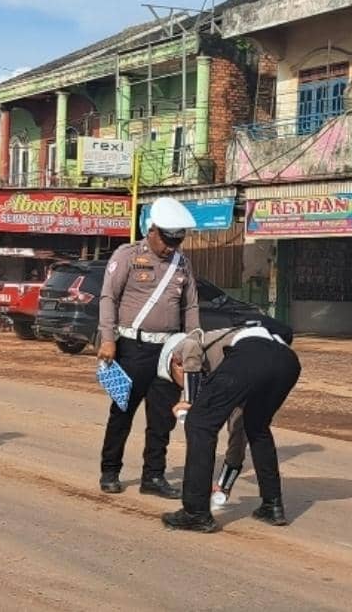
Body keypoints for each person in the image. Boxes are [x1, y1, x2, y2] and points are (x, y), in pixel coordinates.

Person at [97, 196, 199, 499]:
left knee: (162, 418)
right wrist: (108, 339)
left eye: (177, 241)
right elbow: (108, 298)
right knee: (122, 412)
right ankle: (110, 470)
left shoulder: (182, 264)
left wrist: (193, 344)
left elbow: (190, 306)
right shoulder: (127, 255)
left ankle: (153, 476)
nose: (171, 247)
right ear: (152, 231)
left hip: (168, 351)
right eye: (167, 239)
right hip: (131, 348)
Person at [158, 323, 300, 532]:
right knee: (256, 426)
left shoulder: (188, 346)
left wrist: (190, 400)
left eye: (175, 378)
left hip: (253, 353)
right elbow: (238, 426)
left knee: (198, 423)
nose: (178, 386)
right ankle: (272, 506)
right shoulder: (231, 373)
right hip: (287, 362)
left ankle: (196, 513)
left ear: (175, 363)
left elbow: (190, 348)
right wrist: (225, 482)